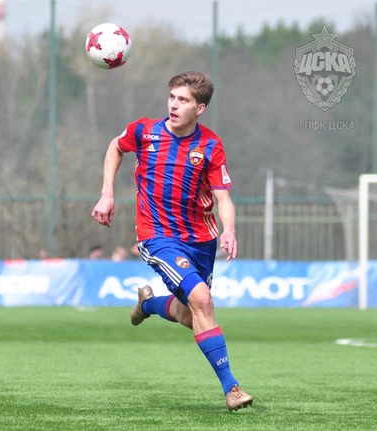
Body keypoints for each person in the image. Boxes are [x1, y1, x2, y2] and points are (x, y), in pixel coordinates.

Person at [91, 71, 253, 411]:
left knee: (187, 314)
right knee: (202, 300)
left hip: (201, 240)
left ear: (200, 108)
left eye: (183, 100)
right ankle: (232, 388)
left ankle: (147, 305)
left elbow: (223, 198)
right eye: (172, 98)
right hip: (158, 236)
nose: (174, 105)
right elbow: (115, 147)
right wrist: (107, 194)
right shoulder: (145, 131)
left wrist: (229, 230)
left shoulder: (210, 146)